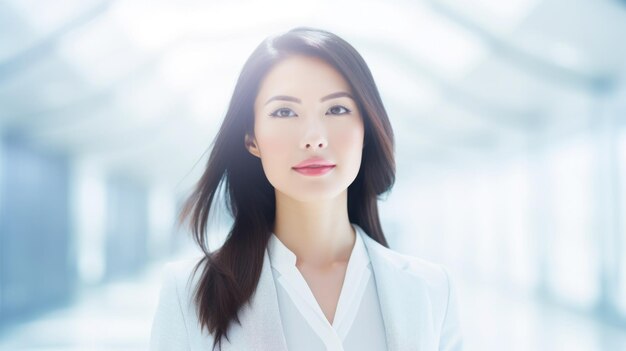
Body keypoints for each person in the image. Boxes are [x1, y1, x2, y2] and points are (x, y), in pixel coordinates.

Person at [149, 27, 463, 351]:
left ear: (366, 128)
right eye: (284, 112)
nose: (314, 137)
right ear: (251, 138)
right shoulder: (188, 292)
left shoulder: (431, 289)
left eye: (337, 109)